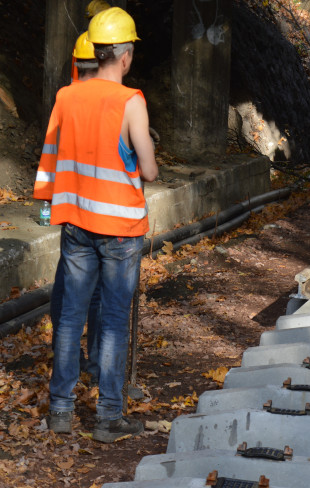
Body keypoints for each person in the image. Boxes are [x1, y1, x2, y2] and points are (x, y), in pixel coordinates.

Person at [34, 7, 157, 443]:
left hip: (76, 225)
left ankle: (61, 411)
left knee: (69, 317)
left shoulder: (67, 97)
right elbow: (149, 168)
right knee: (112, 322)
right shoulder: (131, 101)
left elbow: (57, 153)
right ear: (123, 56)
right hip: (120, 231)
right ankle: (108, 417)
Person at [50, 31, 103, 387]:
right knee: (101, 301)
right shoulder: (121, 101)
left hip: (71, 215)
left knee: (67, 301)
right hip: (108, 219)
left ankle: (64, 395)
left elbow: (53, 153)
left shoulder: (65, 98)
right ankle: (99, 370)